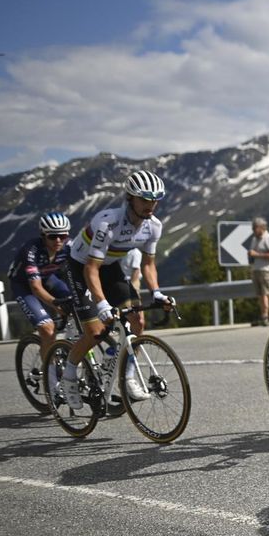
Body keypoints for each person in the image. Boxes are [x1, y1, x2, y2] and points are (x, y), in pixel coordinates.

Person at [61, 171, 176, 409]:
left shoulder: (154, 226)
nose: (151, 205)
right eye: (145, 199)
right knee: (95, 332)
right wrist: (102, 303)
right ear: (130, 198)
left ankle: (129, 377)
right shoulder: (108, 222)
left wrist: (156, 292)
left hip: (110, 268)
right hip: (81, 267)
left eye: (155, 200)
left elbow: (148, 264)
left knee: (137, 321)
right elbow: (91, 268)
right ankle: (68, 376)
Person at [6, 212, 73, 363]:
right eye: (52, 236)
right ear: (43, 235)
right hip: (24, 286)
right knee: (47, 329)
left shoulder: (69, 246)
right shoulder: (31, 250)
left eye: (62, 236)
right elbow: (36, 287)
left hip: (49, 279)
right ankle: (50, 378)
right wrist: (56, 305)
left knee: (76, 303)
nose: (58, 240)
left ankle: (67, 349)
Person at [248, 218, 269, 326]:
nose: (253, 230)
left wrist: (256, 255)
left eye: (255, 227)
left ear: (262, 227)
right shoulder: (254, 239)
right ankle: (264, 317)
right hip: (256, 269)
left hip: (267, 270)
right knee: (261, 295)